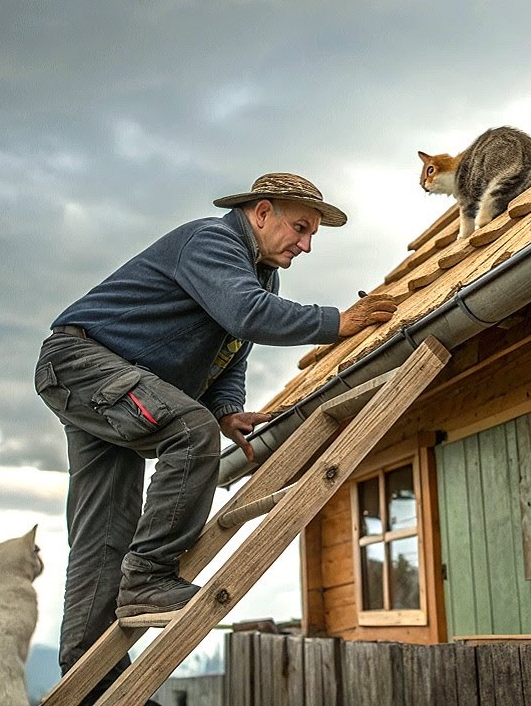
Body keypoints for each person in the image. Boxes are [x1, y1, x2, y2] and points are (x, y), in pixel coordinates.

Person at [33, 173, 396, 699]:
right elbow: (245, 314)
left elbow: (232, 347)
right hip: (83, 362)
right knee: (188, 430)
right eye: (300, 228)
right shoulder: (212, 242)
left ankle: (89, 684)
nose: (306, 244)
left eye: (313, 234)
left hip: (109, 380)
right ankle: (149, 577)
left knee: (104, 536)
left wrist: (226, 410)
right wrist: (338, 321)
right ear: (262, 212)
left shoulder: (260, 274)